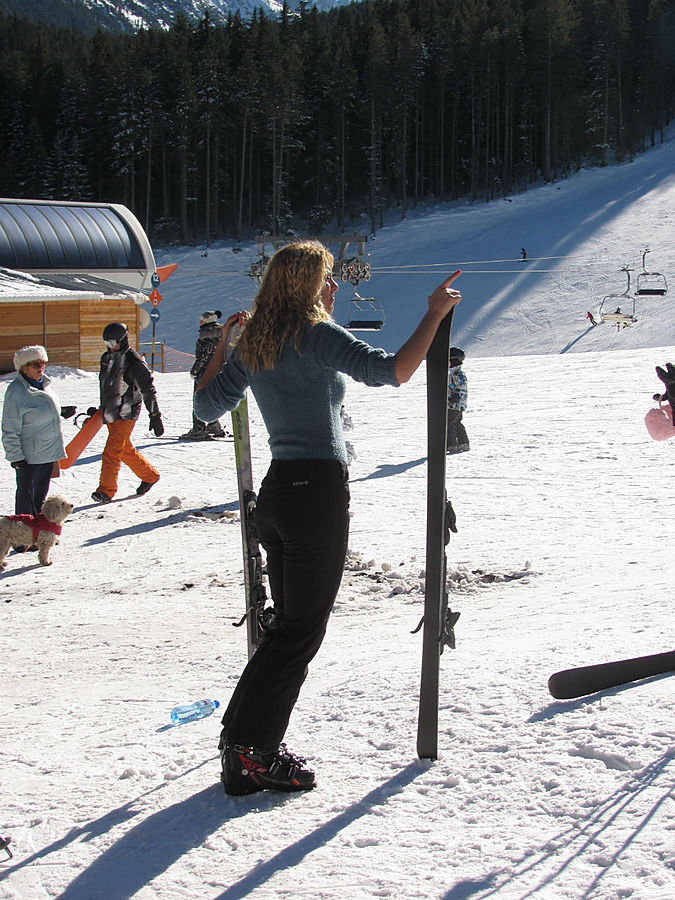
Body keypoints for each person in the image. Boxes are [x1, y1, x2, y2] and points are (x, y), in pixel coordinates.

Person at [194, 240, 461, 796]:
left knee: (287, 627)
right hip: (316, 495)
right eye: (326, 280)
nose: (332, 288)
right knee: (299, 632)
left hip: (278, 496)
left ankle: (240, 743)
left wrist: (225, 342)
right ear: (308, 285)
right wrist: (434, 314)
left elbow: (204, 407)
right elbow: (393, 371)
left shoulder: (259, 341)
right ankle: (252, 751)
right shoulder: (313, 335)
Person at [1, 345, 76, 524]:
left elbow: (41, 409)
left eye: (42, 363)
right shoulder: (17, 392)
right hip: (29, 457)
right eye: (35, 364)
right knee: (27, 501)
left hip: (47, 453)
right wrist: (16, 457)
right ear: (23, 368)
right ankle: (22, 539)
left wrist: (60, 411)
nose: (40, 368)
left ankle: (37, 535)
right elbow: (9, 429)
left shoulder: (44, 385)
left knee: (40, 499)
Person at [91, 322, 164, 503]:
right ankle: (150, 476)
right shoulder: (106, 359)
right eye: (106, 343)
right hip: (111, 412)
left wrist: (154, 414)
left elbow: (148, 389)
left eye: (113, 343)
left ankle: (106, 491)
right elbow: (106, 386)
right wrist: (100, 407)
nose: (110, 347)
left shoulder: (133, 361)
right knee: (123, 449)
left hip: (126, 412)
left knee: (112, 451)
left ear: (123, 340)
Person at [182, 310, 227, 440]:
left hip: (205, 373)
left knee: (198, 399)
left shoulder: (207, 334)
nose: (200, 321)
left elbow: (204, 356)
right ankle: (214, 425)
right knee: (211, 398)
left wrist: (194, 371)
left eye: (202, 319)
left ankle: (199, 427)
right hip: (218, 371)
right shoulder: (221, 333)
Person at [446, 346, 469, 454]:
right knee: (457, 422)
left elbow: (461, 389)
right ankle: (463, 443)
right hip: (457, 405)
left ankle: (451, 445)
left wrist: (454, 399)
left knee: (450, 423)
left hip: (454, 405)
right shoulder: (454, 373)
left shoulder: (456, 374)